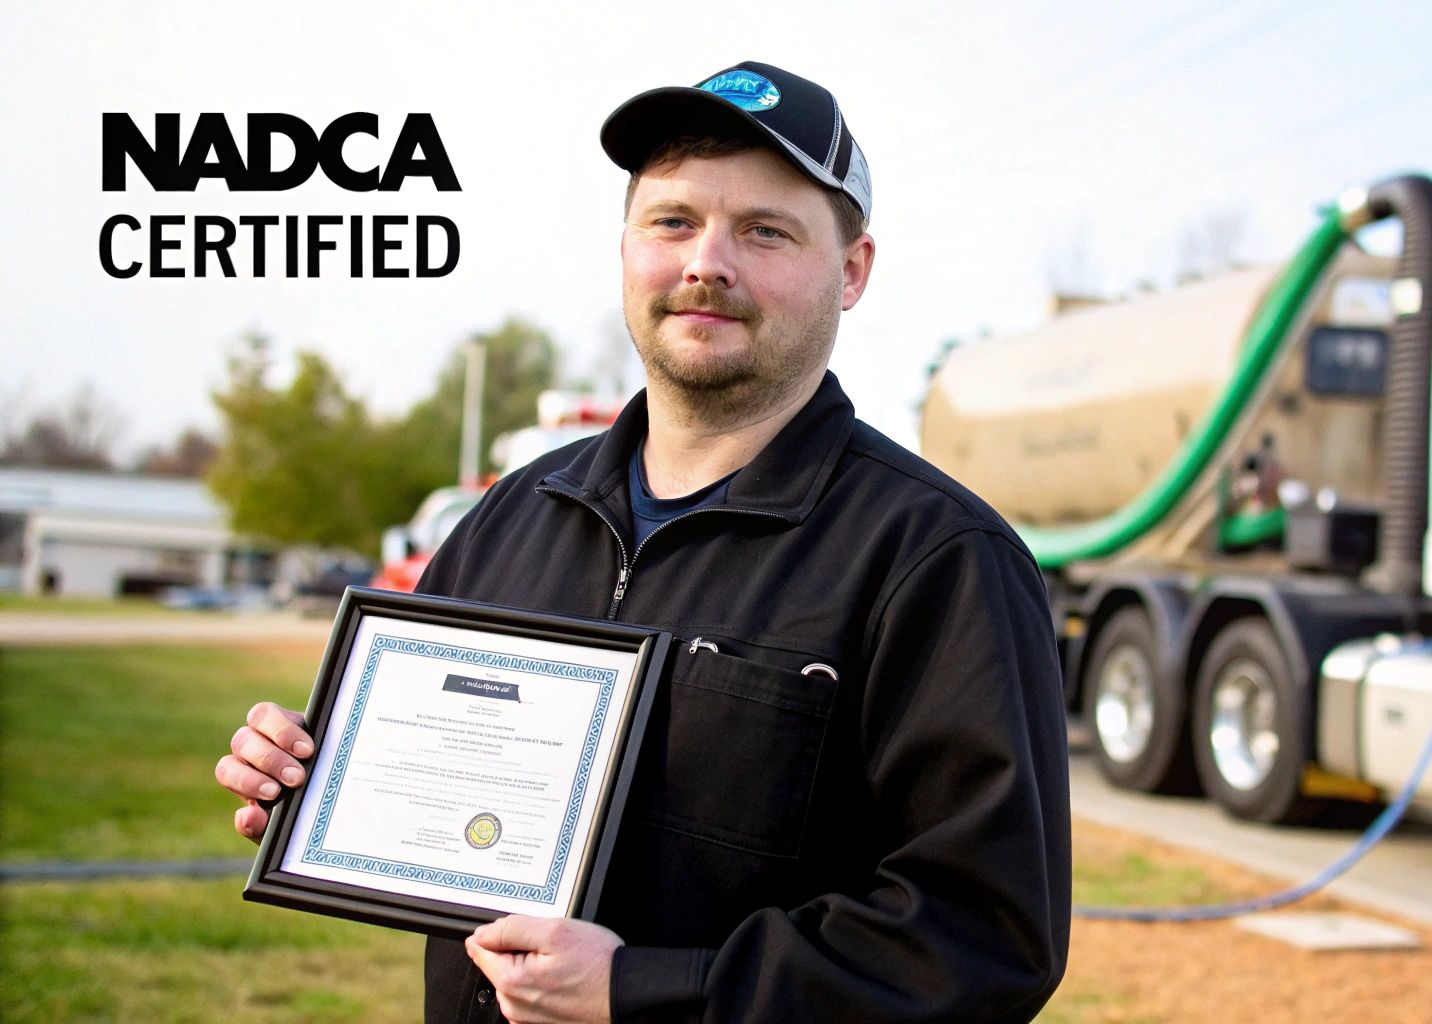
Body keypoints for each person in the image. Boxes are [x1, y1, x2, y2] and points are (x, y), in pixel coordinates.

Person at [216, 60, 1071, 1023]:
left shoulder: (938, 559)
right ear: (626, 247)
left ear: (853, 270)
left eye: (766, 230)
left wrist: (648, 991)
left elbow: (984, 938)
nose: (708, 261)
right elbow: (433, 771)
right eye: (673, 221)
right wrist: (309, 774)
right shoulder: (515, 512)